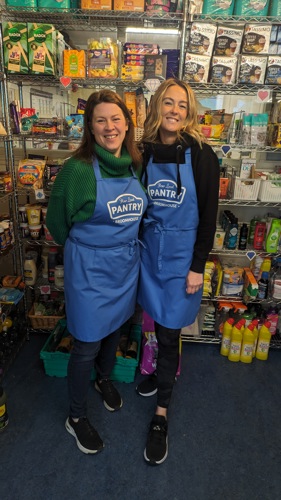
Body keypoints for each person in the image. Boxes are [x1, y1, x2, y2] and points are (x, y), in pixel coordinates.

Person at [46, 89, 147, 455]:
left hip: (124, 266)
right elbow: (57, 224)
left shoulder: (135, 163)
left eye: (116, 119)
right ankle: (75, 417)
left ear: (127, 124)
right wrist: (88, 250)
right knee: (87, 342)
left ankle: (104, 380)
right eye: (100, 120)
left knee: (116, 328)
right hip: (89, 269)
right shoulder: (76, 170)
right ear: (90, 126)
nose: (110, 127)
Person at [137, 78, 220, 465]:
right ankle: (158, 377)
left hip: (181, 260)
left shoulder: (202, 154)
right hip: (149, 253)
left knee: (170, 334)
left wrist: (198, 266)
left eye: (181, 105)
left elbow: (208, 216)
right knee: (152, 323)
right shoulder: (143, 151)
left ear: (189, 113)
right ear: (157, 107)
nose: (174, 110)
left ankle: (161, 415)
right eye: (167, 103)